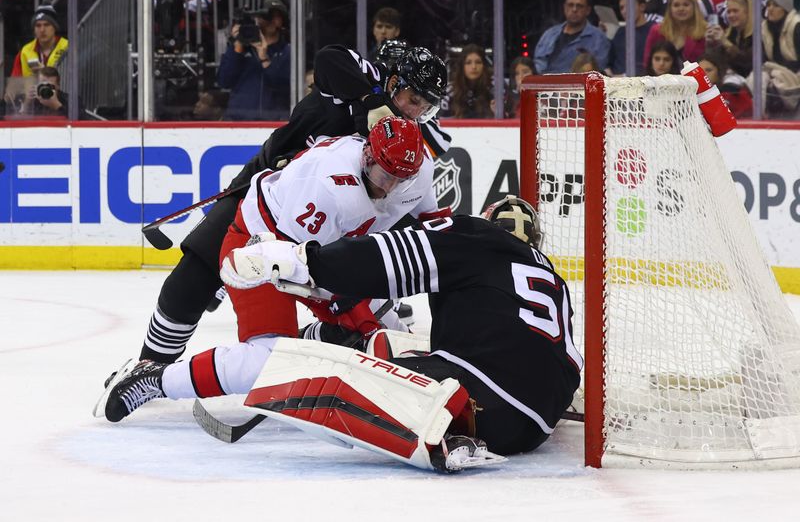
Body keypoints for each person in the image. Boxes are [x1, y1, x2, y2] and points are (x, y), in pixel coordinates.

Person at [102, 195, 582, 471]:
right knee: (387, 342)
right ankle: (333, 345)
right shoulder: (553, 280)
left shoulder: (475, 238)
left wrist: (305, 260)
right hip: (535, 424)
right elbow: (568, 361)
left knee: (299, 365)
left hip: (476, 401)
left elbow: (385, 260)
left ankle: (158, 379)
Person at [116, 45, 450, 377]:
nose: (415, 113)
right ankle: (151, 365)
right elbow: (327, 58)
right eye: (413, 99)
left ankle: (313, 340)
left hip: (324, 224)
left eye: (426, 108)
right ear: (393, 82)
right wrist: (371, 101)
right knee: (193, 279)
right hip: (266, 195)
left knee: (348, 301)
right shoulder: (368, 81)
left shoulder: (407, 140)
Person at [217, 0, 290, 120]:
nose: (270, 20)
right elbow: (224, 81)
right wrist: (238, 47)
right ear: (258, 18)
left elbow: (285, 87)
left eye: (276, 16)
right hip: (238, 123)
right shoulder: (240, 47)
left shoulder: (288, 51)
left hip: (274, 123)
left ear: (283, 21)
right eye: (267, 15)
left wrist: (265, 59)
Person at [534, 0, 610, 74]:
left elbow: (598, 70)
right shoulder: (549, 34)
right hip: (544, 84)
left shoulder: (599, 38)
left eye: (579, 6)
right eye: (570, 5)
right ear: (564, 7)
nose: (574, 9)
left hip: (577, 85)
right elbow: (537, 65)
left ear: (588, 10)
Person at [643, 0, 707, 67]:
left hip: (694, 78)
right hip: (661, 78)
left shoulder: (704, 31)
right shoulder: (657, 31)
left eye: (686, 5)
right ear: (670, 9)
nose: (681, 9)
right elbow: (647, 62)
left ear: (694, 8)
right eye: (676, 5)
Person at [10, 0, 69, 77]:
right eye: (38, 25)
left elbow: (75, 80)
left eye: (47, 25)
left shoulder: (68, 47)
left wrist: (45, 73)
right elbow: (15, 86)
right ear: (34, 30)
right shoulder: (25, 52)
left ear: (55, 27)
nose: (42, 30)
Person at [608, 0, 656, 76]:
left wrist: (623, 77)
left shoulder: (654, 30)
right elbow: (609, 63)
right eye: (622, 8)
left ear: (642, 7)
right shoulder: (620, 32)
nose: (624, 11)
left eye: (629, 6)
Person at [704, 0, 753, 77]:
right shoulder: (731, 33)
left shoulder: (758, 34)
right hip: (728, 79)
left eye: (735, 11)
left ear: (747, 12)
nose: (731, 15)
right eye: (729, 12)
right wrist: (710, 44)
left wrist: (726, 43)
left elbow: (748, 64)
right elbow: (716, 62)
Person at [440, 44, 494, 118]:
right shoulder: (450, 92)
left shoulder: (494, 89)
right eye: (468, 63)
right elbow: (442, 123)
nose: (474, 67)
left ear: (484, 65)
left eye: (478, 62)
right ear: (462, 66)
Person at [698, 49, 752, 118]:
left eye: (708, 70)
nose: (704, 74)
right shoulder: (691, 95)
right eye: (700, 71)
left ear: (720, 72)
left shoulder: (732, 91)